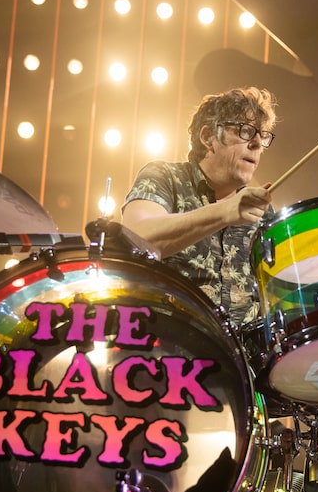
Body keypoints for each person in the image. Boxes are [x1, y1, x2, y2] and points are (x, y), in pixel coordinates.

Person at [117, 86, 277, 330]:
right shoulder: (164, 176)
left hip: (243, 362)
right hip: (169, 348)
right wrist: (223, 212)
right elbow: (136, 238)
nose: (257, 143)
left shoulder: (262, 210)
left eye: (263, 135)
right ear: (208, 137)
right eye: (246, 131)